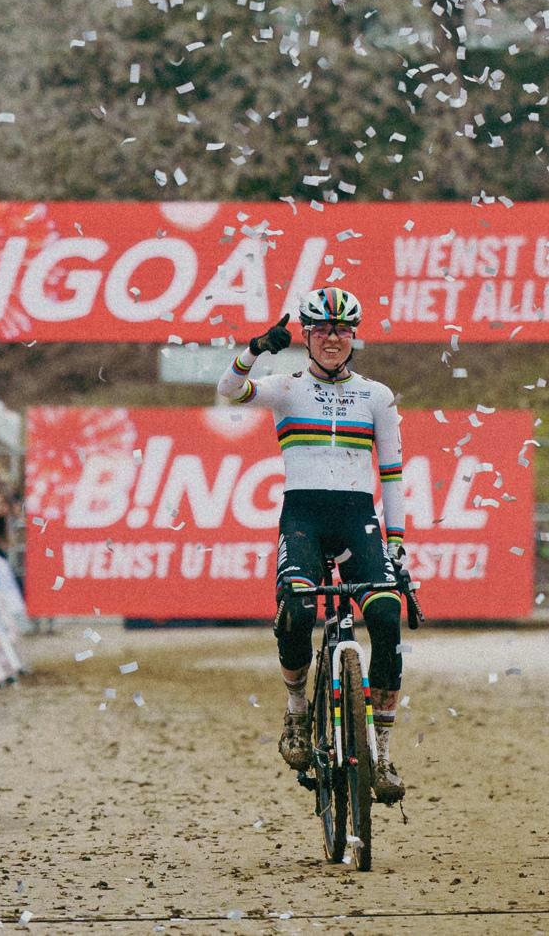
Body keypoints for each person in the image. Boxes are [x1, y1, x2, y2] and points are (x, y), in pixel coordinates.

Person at [216, 288, 409, 804]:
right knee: (299, 612)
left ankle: (383, 756)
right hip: (302, 517)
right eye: (321, 329)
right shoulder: (287, 388)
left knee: (388, 622)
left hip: (358, 520)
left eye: (342, 330)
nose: (331, 338)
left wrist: (398, 546)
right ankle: (299, 714)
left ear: (354, 337)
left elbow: (390, 474)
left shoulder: (377, 396)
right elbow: (228, 390)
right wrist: (255, 349)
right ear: (305, 335)